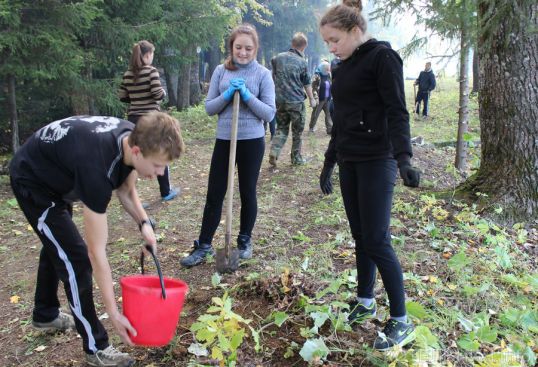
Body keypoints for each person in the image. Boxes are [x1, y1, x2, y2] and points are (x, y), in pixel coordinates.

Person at [9, 113, 184, 366]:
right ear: (136, 151)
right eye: (157, 166)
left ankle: (44, 313)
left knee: (59, 244)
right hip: (33, 180)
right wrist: (113, 314)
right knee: (77, 259)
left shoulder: (131, 136)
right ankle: (96, 347)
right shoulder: (96, 171)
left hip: (59, 171)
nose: (160, 173)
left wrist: (144, 224)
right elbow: (97, 253)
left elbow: (127, 189)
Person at [318, 0, 421, 351]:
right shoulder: (341, 68)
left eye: (335, 40)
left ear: (354, 30)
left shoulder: (382, 58)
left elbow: (397, 110)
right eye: (327, 43)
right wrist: (329, 162)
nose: (331, 48)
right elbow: (342, 120)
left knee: (377, 239)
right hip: (350, 159)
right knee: (360, 236)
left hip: (379, 159)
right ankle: (365, 300)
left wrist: (404, 157)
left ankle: (402, 321)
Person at [180, 24, 275, 267]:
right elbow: (210, 107)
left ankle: (244, 240)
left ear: (255, 49)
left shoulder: (263, 74)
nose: (243, 52)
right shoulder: (221, 71)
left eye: (248, 48)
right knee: (215, 192)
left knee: (247, 191)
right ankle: (204, 245)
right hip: (224, 140)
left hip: (252, 141)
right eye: (238, 47)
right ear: (231, 47)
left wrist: (246, 96)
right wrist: (225, 96)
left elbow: (269, 113)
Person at [119, 40, 179, 202]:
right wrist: (163, 94)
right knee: (161, 152)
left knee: (134, 156)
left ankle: (132, 196)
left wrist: (136, 98)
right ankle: (166, 191)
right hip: (151, 120)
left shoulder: (128, 74)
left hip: (133, 119)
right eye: (152, 54)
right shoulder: (151, 72)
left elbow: (123, 96)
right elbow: (158, 93)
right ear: (147, 55)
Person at [268, 32, 317, 167]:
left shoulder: (277, 58)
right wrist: (312, 99)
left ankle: (274, 152)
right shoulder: (302, 62)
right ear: (304, 46)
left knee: (281, 128)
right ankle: (296, 159)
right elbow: (307, 83)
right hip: (296, 102)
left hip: (280, 100)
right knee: (297, 132)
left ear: (292, 44)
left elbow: (274, 76)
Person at [308, 60, 333, 134]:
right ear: (323, 68)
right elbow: (313, 88)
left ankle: (330, 130)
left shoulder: (329, 75)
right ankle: (311, 128)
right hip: (319, 99)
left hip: (327, 98)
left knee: (328, 115)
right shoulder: (317, 75)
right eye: (327, 69)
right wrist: (315, 98)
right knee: (316, 114)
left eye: (329, 69)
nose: (328, 70)